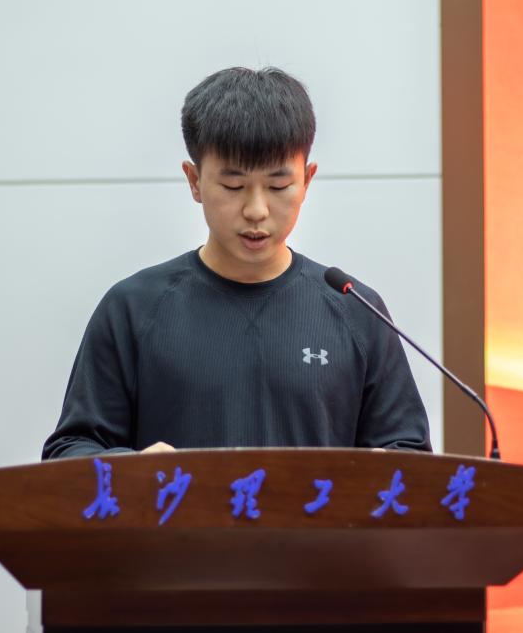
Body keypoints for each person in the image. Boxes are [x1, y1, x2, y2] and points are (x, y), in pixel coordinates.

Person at [42, 67, 430, 459]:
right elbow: (70, 449)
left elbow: (409, 453)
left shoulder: (356, 309)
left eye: (278, 186)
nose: (256, 210)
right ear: (194, 180)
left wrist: (380, 472)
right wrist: (133, 468)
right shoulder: (134, 308)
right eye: (233, 186)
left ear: (307, 181)